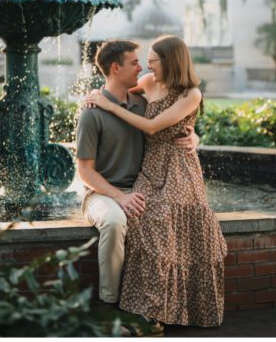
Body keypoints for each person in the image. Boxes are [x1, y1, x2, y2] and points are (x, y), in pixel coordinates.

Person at [83, 35, 226, 329]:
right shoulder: (147, 84)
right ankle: (144, 309)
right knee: (146, 222)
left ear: (170, 60)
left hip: (177, 170)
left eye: (151, 61)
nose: (145, 66)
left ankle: (166, 311)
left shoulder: (191, 94)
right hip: (150, 170)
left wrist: (194, 137)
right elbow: (116, 91)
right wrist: (97, 99)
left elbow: (151, 125)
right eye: (140, 62)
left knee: (167, 225)